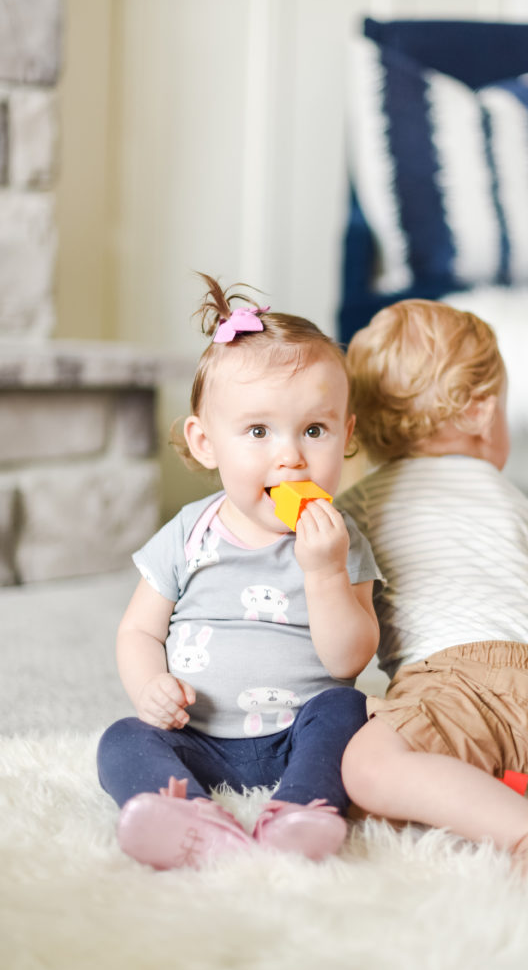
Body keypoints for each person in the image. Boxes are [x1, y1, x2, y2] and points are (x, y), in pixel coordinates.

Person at [97, 275, 381, 869]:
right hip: (195, 735)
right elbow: (139, 632)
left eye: (314, 430)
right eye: (258, 431)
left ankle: (304, 807)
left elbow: (349, 661)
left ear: (346, 435)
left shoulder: (339, 538)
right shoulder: (189, 532)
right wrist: (151, 687)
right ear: (206, 443)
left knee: (347, 711)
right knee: (122, 739)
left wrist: (325, 573)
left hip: (297, 734)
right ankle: (187, 815)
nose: (290, 455)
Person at [338, 299, 528, 888]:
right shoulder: (509, 496)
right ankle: (494, 781)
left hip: (465, 679)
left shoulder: (358, 508)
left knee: (366, 767)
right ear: (485, 413)